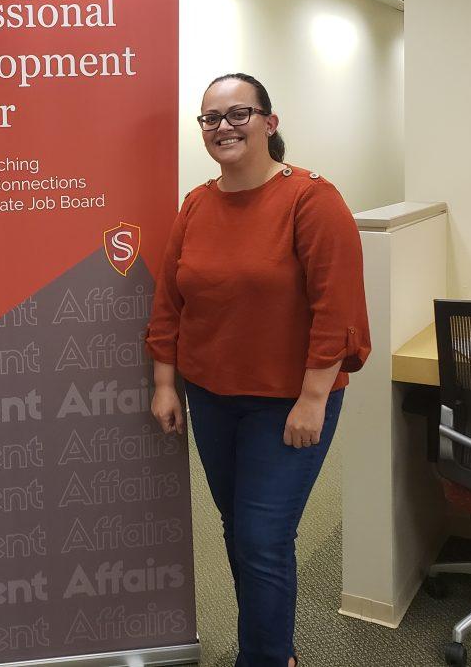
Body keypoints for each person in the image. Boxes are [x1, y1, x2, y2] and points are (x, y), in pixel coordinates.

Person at [145, 73, 370, 667]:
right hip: (212, 397)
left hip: (286, 402)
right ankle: (271, 651)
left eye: (238, 113)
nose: (224, 126)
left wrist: (315, 398)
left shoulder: (312, 200)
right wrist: (166, 383)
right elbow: (170, 299)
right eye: (210, 118)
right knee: (238, 532)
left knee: (263, 540)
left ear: (270, 123)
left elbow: (337, 307)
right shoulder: (196, 203)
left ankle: (267, 659)